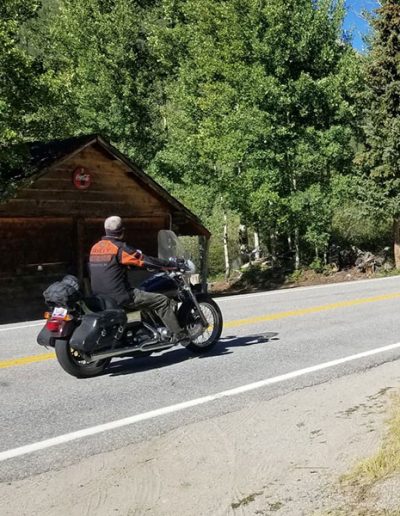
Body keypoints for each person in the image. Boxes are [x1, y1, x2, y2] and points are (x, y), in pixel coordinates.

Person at [89, 216, 186, 341]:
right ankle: (180, 336)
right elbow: (143, 260)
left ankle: (149, 329)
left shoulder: (95, 247)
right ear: (122, 231)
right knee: (162, 301)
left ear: (106, 230)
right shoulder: (119, 248)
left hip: (99, 296)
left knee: (144, 295)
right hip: (120, 295)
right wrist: (170, 265)